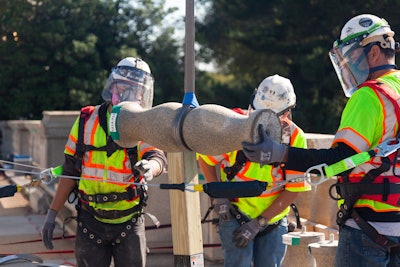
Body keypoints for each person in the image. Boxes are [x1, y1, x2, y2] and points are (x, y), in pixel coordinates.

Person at [242, 14, 400, 267]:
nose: (350, 66)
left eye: (353, 57)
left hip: (367, 226)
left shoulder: (369, 96)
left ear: (373, 52)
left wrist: (281, 154)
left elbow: (339, 159)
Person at [40, 57, 167, 267]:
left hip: (129, 220)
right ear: (113, 86)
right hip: (90, 220)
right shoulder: (85, 121)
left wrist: (150, 168)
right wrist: (52, 213)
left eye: (135, 89)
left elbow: (158, 158)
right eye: (123, 86)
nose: (128, 93)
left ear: (143, 93)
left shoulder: (143, 122)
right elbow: (71, 171)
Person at [198, 74, 310, 267]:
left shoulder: (294, 138)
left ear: (287, 113)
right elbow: (206, 159)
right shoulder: (234, 124)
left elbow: (294, 188)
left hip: (273, 219)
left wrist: (259, 222)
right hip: (235, 212)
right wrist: (219, 197)